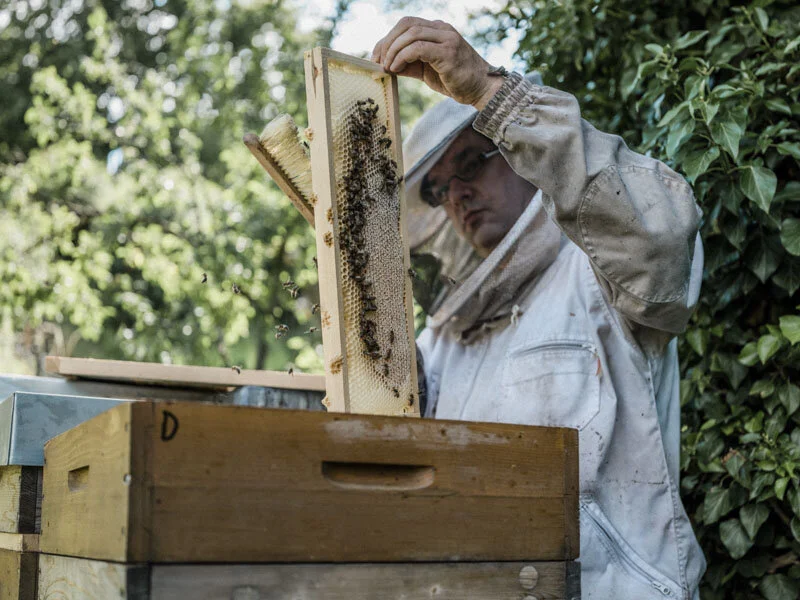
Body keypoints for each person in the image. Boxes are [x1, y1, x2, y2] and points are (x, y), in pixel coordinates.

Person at [372, 17, 706, 600]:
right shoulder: (441, 338)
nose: (457, 195)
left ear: (519, 154)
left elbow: (662, 236)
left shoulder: (599, 273)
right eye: (438, 188)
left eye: (472, 163)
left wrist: (488, 90)